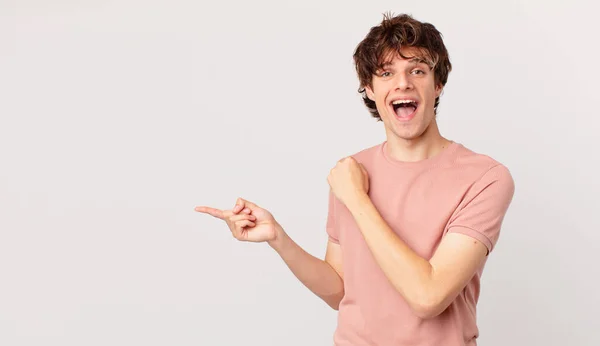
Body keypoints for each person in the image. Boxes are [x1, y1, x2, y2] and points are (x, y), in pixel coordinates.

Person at [195, 12, 515, 346]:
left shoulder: (484, 178)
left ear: (438, 84)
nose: (402, 83)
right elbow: (341, 290)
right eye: (386, 73)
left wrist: (358, 199)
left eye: (417, 70)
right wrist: (278, 237)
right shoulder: (351, 172)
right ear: (370, 89)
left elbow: (428, 297)